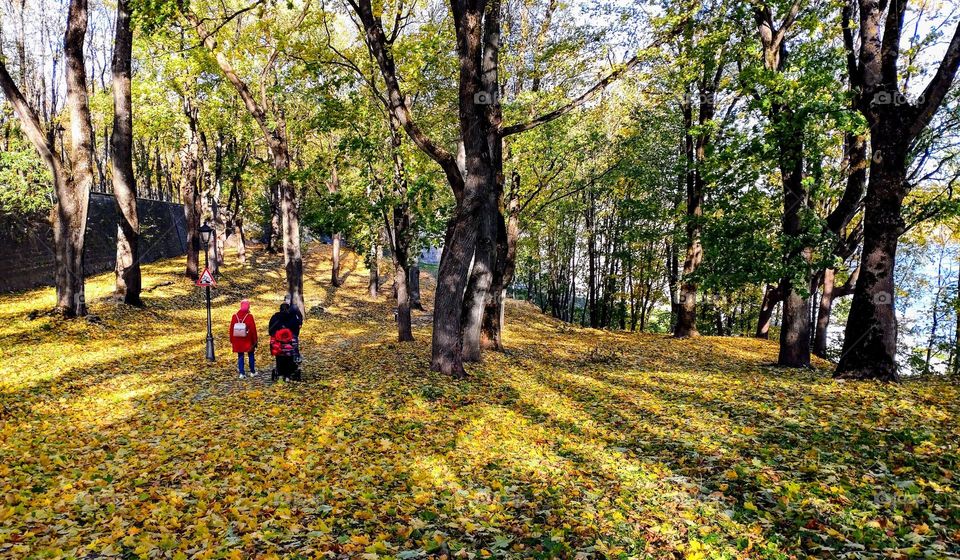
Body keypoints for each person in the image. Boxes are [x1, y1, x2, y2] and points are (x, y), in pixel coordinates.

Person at [269, 302, 303, 381]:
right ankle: (288, 375)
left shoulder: (275, 317)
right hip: (289, 343)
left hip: (278, 343)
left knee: (279, 358)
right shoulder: (293, 317)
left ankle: (280, 374)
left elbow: (271, 331)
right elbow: (296, 331)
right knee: (289, 358)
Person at [229, 299, 258, 378]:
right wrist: (255, 340)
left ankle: (242, 373)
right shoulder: (249, 316)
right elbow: (253, 330)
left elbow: (231, 329)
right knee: (251, 355)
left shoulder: (235, 316)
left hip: (237, 339)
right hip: (248, 339)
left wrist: (231, 340)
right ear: (248, 307)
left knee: (240, 355)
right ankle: (252, 371)